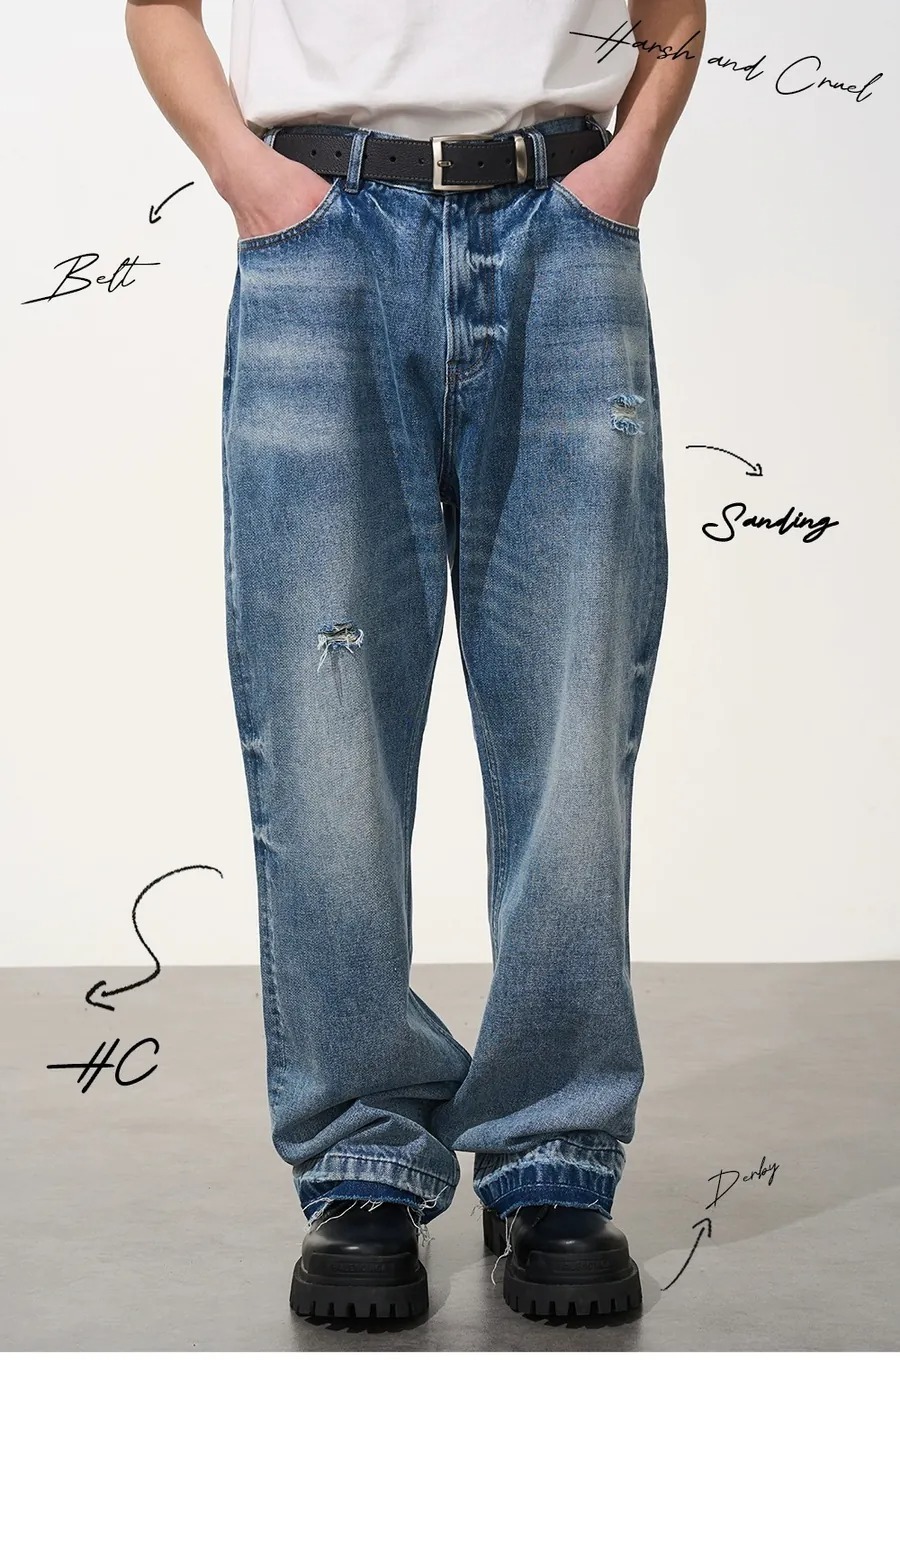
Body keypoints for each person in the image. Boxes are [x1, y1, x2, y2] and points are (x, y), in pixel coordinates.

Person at [125, 0, 705, 1323]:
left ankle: (555, 1152)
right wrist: (246, 175)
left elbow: (672, 9)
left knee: (571, 722)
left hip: (564, 229)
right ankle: (361, 1159)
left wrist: (630, 164)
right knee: (322, 732)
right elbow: (159, 7)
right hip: (321, 236)